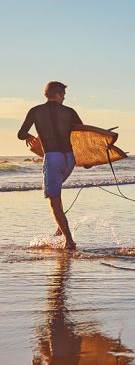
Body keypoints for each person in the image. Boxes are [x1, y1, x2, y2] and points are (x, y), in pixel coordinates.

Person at [18, 81, 83, 249]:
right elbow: (83, 136)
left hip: (53, 158)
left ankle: (69, 240)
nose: (64, 99)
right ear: (58, 94)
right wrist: (87, 160)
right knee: (57, 194)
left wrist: (30, 136)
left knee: (54, 202)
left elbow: (21, 134)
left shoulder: (35, 111)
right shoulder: (70, 112)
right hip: (69, 159)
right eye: (63, 96)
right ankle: (60, 227)